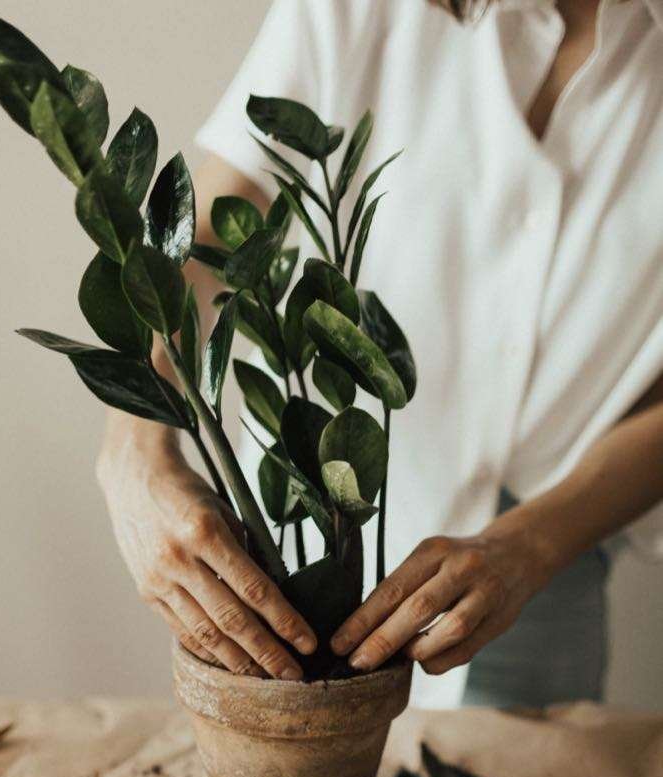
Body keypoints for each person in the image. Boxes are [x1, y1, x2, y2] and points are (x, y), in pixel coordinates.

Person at [97, 0, 663, 710]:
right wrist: (134, 454)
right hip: (297, 538)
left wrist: (534, 546)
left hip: (548, 559)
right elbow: (204, 240)